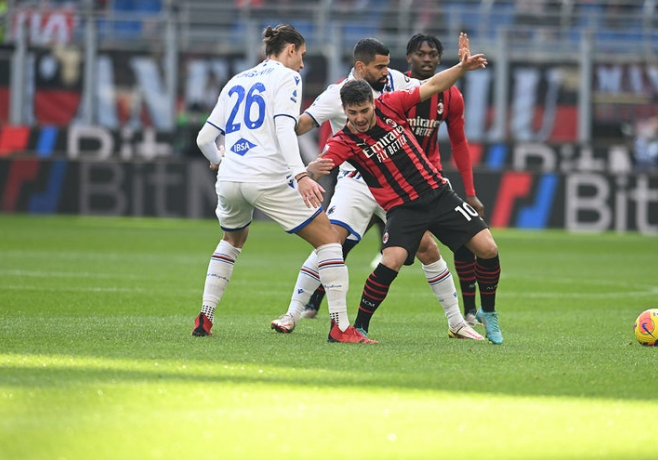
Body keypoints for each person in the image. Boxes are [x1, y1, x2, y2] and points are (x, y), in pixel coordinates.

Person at [270, 37, 482, 341]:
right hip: (355, 182)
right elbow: (300, 126)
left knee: (428, 248)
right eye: (379, 67)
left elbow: (432, 85)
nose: (387, 71)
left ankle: (457, 322)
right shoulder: (335, 94)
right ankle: (292, 313)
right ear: (361, 66)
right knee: (330, 241)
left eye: (387, 65)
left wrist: (460, 68)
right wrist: (274, 139)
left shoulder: (395, 82)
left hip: (397, 186)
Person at [192, 24, 374, 344]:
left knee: (232, 240)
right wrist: (301, 175)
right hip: (266, 177)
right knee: (330, 240)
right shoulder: (288, 77)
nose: (302, 64)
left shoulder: (237, 80)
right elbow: (284, 130)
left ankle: (205, 316)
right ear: (290, 49)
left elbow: (204, 138)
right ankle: (340, 326)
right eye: (301, 55)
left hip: (230, 178)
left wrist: (218, 160)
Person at [402, 33, 485, 326]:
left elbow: (459, 143)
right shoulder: (397, 88)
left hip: (431, 180)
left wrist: (470, 193)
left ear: (439, 59)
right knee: (345, 237)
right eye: (421, 54)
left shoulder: (451, 95)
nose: (427, 59)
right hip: (394, 181)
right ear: (409, 57)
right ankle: (312, 303)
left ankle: (470, 310)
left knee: (464, 239)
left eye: (433, 54)